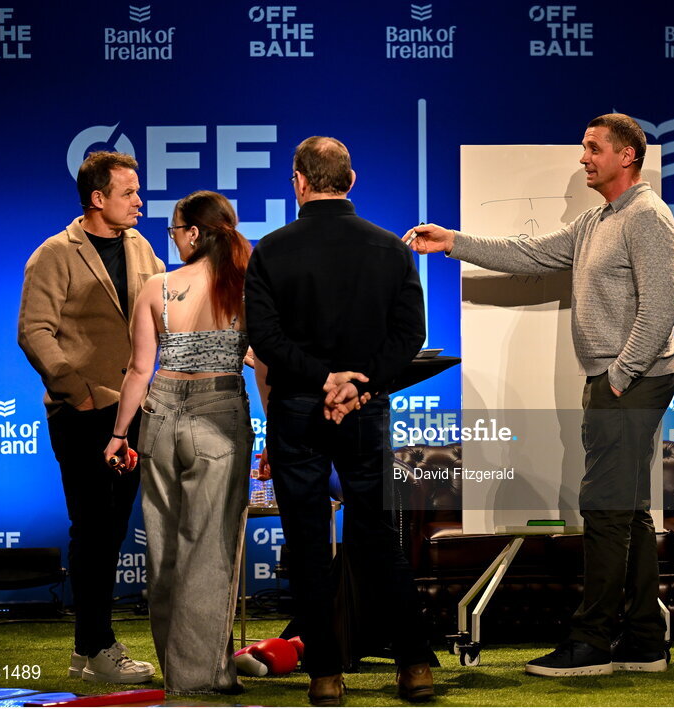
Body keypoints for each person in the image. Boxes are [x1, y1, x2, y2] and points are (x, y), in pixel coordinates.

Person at [408, 113, 674, 677]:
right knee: (627, 510)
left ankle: (592, 643)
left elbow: (659, 311)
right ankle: (644, 641)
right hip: (619, 381)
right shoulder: (596, 220)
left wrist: (619, 376)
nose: (583, 158)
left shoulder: (648, 217)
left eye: (594, 148)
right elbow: (530, 253)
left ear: (627, 156)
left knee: (604, 510)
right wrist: (454, 242)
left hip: (633, 382)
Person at [245, 136, 432, 706]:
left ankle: (325, 676)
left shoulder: (270, 250)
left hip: (298, 410)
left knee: (307, 544)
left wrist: (323, 379)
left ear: (299, 182)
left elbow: (265, 339)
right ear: (350, 181)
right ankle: (415, 666)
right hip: (364, 408)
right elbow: (410, 335)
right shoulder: (390, 248)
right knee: (377, 535)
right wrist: (357, 384)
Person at [18, 151, 162, 683]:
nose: (139, 201)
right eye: (129, 192)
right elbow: (34, 331)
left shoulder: (141, 246)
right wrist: (77, 393)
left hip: (134, 409)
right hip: (83, 413)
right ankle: (97, 647)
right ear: (98, 198)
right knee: (94, 528)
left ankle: (88, 648)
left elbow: (164, 311)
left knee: (111, 528)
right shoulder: (54, 253)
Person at [103, 191, 256, 694]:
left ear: (193, 232)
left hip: (159, 416)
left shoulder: (157, 287)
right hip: (220, 414)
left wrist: (118, 434)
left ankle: (183, 671)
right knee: (209, 549)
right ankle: (201, 677)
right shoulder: (245, 287)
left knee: (165, 549)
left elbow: (139, 371)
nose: (172, 239)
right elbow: (265, 366)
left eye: (174, 230)